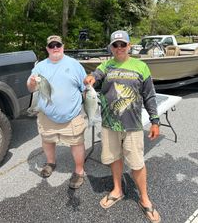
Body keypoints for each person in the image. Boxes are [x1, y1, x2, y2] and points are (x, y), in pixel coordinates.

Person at [84, 30, 161, 222]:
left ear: (129, 46)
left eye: (122, 45)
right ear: (111, 47)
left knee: (137, 164)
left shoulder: (141, 66)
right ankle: (117, 189)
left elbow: (149, 95)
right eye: (115, 45)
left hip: (133, 125)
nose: (119, 48)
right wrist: (90, 78)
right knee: (114, 158)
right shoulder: (106, 65)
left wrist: (155, 121)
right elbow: (96, 75)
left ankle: (144, 198)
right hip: (110, 124)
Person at [27, 35, 87, 189]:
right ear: (47, 48)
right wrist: (31, 82)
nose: (55, 48)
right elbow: (31, 88)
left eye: (57, 45)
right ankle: (50, 163)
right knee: (47, 140)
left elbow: (85, 88)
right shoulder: (40, 66)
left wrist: (88, 109)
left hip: (72, 115)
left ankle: (79, 170)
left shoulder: (75, 65)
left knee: (77, 143)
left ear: (63, 46)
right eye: (51, 46)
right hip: (46, 115)